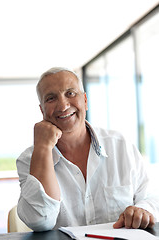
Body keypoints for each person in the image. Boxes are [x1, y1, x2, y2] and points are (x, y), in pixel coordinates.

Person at [17, 67, 159, 232]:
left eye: (70, 93)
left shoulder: (121, 146)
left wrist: (143, 209)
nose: (63, 106)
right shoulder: (29, 159)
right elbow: (40, 221)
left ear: (85, 101)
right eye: (51, 98)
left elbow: (151, 197)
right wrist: (42, 148)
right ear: (42, 110)